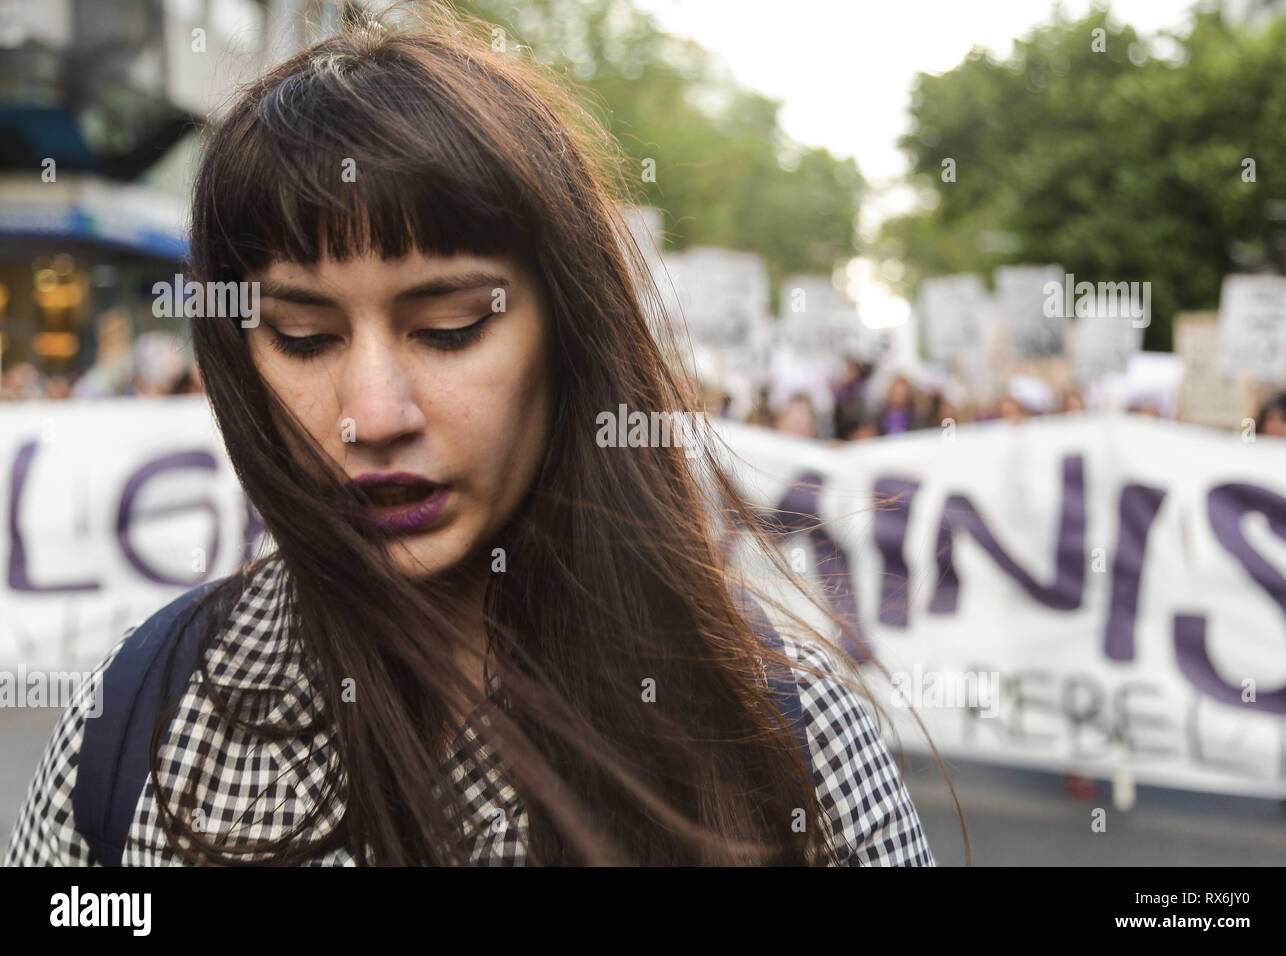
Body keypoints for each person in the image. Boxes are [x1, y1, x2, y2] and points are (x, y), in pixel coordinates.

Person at [4, 7, 945, 867]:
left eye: (449, 327)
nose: (373, 415)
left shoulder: (787, 736)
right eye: (304, 337)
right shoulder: (133, 726)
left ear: (569, 333)